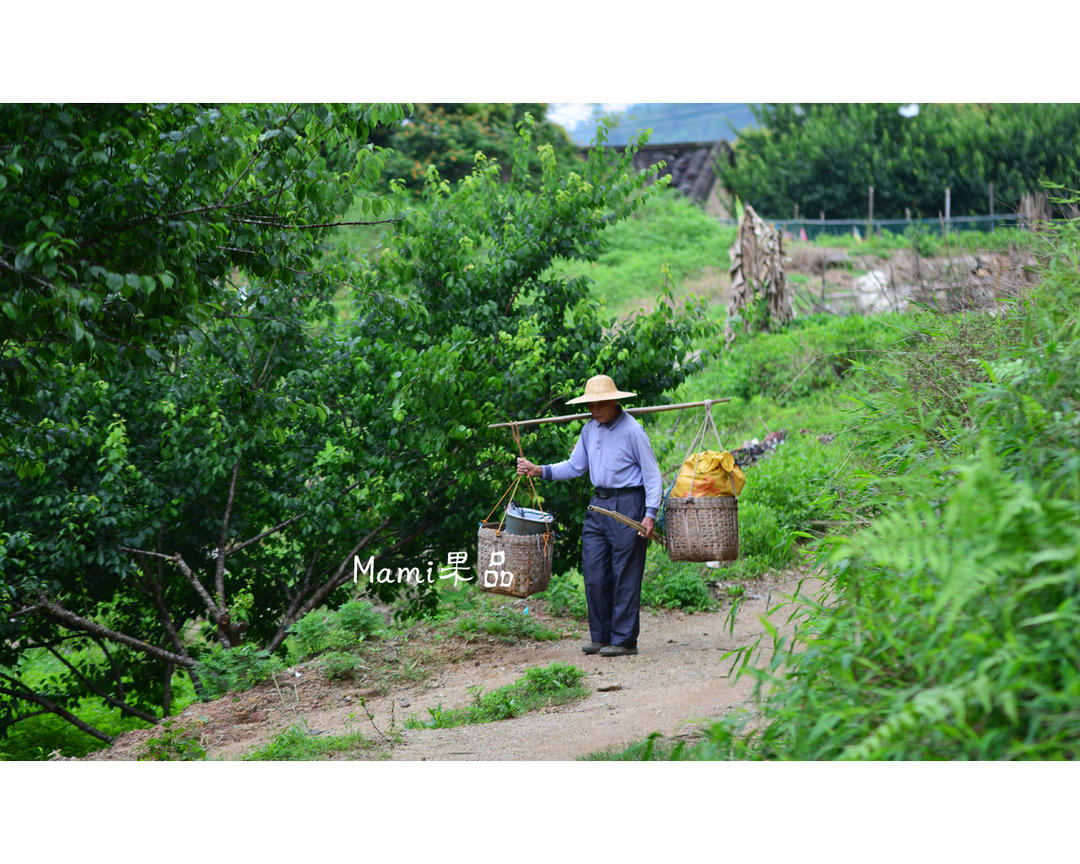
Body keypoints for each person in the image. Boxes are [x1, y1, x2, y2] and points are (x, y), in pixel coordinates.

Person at [516, 374, 662, 657]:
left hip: (629, 504)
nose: (593, 409)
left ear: (614, 402)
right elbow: (574, 466)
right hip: (598, 505)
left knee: (625, 575)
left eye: (598, 404)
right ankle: (600, 636)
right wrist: (539, 470)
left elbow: (652, 474)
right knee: (595, 572)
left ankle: (623, 640)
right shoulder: (589, 430)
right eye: (590, 405)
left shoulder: (633, 431)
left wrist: (650, 514)